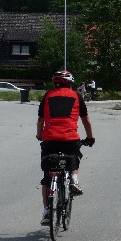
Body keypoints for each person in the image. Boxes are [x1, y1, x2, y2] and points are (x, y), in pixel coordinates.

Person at [36, 70, 95, 226]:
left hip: (49, 139)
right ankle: (74, 180)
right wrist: (90, 137)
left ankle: (47, 211)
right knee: (76, 156)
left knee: (47, 176)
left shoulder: (47, 96)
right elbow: (86, 121)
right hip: (69, 139)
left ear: (54, 83)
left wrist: (39, 135)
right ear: (70, 83)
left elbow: (40, 120)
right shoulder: (77, 96)